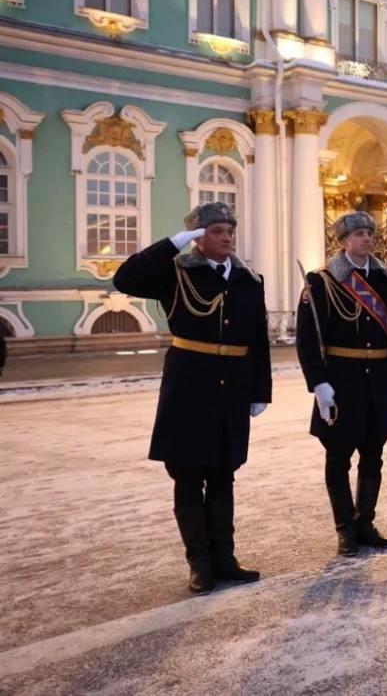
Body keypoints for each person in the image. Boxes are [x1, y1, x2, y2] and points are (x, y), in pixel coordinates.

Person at [113, 202, 270, 594]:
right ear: (198, 238)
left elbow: (258, 339)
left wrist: (260, 391)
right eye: (217, 231)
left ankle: (225, 559)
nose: (227, 237)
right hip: (188, 387)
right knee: (187, 476)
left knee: (223, 475)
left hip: (232, 387)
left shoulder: (249, 280)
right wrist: (172, 244)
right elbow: (125, 279)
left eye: (230, 230)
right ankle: (199, 564)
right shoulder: (176, 273)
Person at [297, 212, 387, 556]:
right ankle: (345, 528)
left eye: (370, 233)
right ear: (343, 241)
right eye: (359, 233)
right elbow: (307, 338)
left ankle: (365, 522)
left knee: (373, 454)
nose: (367, 238)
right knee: (338, 457)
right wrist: (319, 383)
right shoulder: (322, 280)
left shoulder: (386, 278)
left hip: (379, 378)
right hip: (342, 380)